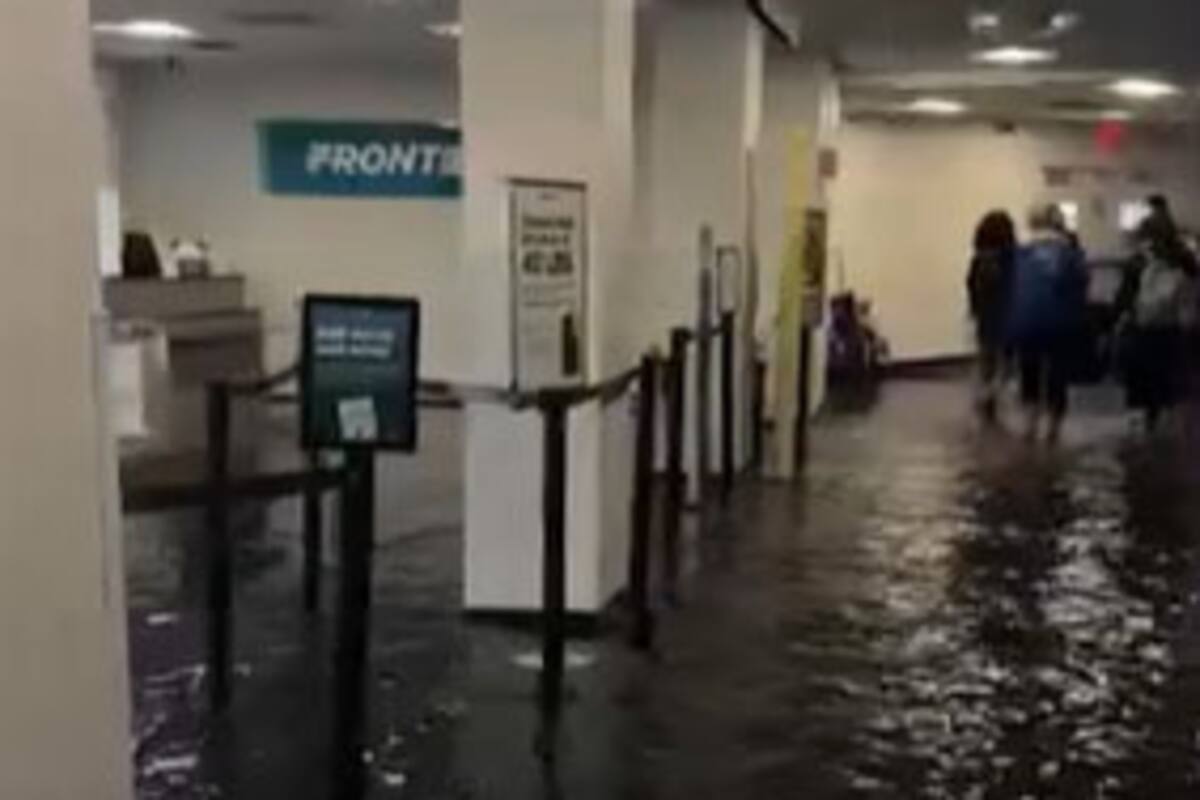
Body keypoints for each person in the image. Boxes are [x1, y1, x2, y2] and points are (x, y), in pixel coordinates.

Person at [1007, 204, 1089, 442]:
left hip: (1025, 322)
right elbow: (1081, 286)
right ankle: (1054, 425)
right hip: (1060, 323)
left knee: (1029, 371)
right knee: (1057, 374)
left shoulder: (1020, 253)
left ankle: (1030, 421)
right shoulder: (1070, 254)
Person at [1117, 214, 1196, 430]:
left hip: (1145, 329)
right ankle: (1170, 427)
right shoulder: (1185, 260)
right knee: (1170, 383)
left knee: (1146, 383)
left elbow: (1124, 298)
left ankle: (1150, 426)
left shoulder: (1137, 262)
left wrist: (1123, 318)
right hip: (1173, 330)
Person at [967, 210, 1017, 420]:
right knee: (1006, 360)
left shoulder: (979, 259)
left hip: (985, 317)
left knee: (986, 359)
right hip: (1008, 315)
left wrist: (975, 309)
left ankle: (987, 396)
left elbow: (970, 286)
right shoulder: (1012, 259)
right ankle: (997, 394)